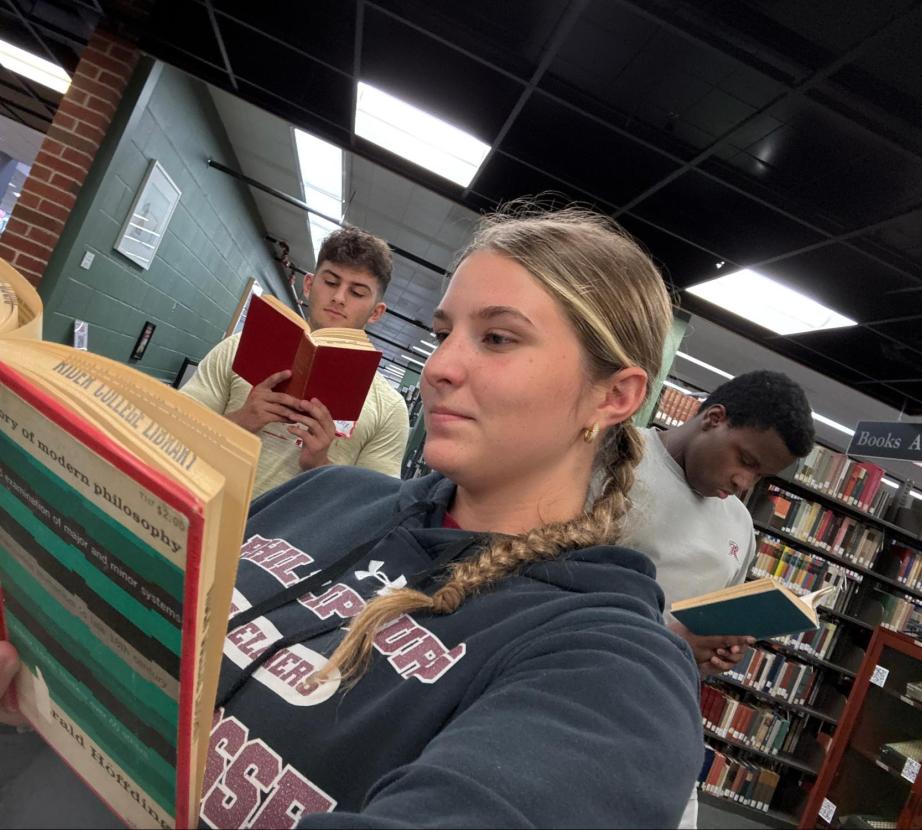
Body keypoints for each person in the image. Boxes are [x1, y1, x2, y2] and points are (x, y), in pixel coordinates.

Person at [0, 205, 704, 828]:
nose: (440, 367)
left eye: (496, 339)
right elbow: (126, 632)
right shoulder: (325, 497)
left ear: (613, 396)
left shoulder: (614, 668)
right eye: (444, 332)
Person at [614, 370, 815, 828]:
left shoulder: (740, 526)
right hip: (577, 693)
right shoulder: (615, 460)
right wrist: (668, 638)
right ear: (713, 418)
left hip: (666, 713)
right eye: (745, 459)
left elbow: (708, 619)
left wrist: (715, 650)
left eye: (760, 474)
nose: (745, 481)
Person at [182, 226, 410, 498]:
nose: (339, 298)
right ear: (309, 285)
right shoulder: (239, 347)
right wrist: (243, 420)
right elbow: (173, 432)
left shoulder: (389, 407)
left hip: (289, 539)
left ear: (376, 312)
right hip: (202, 510)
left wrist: (320, 465)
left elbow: (371, 508)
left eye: (357, 293)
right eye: (331, 282)